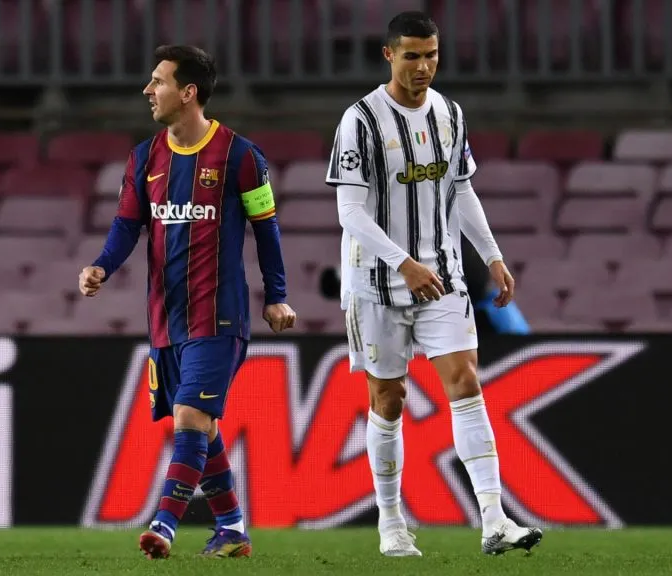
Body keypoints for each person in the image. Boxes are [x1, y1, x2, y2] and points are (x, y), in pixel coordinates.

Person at [325, 11, 543, 557]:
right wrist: (403, 263)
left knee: (466, 381)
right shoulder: (361, 121)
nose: (423, 66)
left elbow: (462, 189)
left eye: (431, 55)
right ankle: (392, 523)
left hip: (441, 276)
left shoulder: (450, 114)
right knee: (388, 397)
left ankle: (494, 520)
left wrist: (492, 256)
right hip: (377, 281)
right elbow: (349, 212)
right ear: (389, 55)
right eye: (412, 56)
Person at [78, 44, 297, 560]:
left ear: (188, 92)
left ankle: (165, 523)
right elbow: (127, 225)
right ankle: (232, 528)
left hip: (220, 316)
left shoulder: (241, 156)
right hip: (166, 320)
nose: (148, 91)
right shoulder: (144, 157)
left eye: (158, 81)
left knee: (190, 421)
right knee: (204, 426)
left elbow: (267, 229)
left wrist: (278, 296)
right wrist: (100, 267)